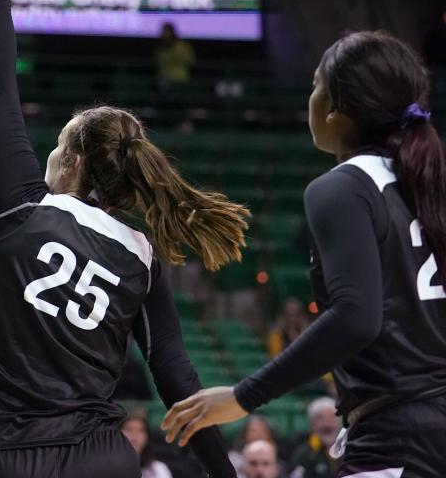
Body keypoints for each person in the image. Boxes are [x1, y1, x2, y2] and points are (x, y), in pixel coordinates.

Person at [0, 0, 246, 478]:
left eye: (55, 146)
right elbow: (177, 379)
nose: (48, 156)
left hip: (0, 457)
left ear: (74, 163)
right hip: (100, 458)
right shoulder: (142, 252)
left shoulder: (26, 208)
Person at [163, 31, 446, 478]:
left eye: (315, 84)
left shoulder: (346, 185)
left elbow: (356, 317)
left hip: (400, 434)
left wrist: (242, 396)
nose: (309, 97)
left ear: (335, 107)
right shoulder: (429, 181)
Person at [287, 397, 339, 478]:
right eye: (320, 418)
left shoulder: (348, 450)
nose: (327, 423)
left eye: (331, 417)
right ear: (312, 423)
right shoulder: (303, 455)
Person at [120, 414, 172, 478]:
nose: (135, 434)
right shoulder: (107, 468)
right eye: (129, 429)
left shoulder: (159, 469)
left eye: (141, 430)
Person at [153, 23, 195, 91]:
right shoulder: (160, 48)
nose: (164, 34)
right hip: (163, 81)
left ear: (172, 33)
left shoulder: (182, 46)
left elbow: (190, 61)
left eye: (167, 32)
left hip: (180, 80)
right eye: (163, 32)